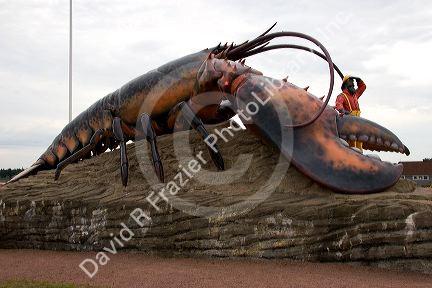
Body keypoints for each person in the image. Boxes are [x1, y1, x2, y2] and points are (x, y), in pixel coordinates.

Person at [335, 75, 366, 151]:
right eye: (351, 84)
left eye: (353, 84)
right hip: (349, 123)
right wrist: (343, 111)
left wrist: (359, 80)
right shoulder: (342, 96)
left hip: (358, 122)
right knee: (351, 142)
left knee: (359, 141)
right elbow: (338, 104)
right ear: (346, 85)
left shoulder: (355, 95)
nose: (353, 86)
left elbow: (363, 87)